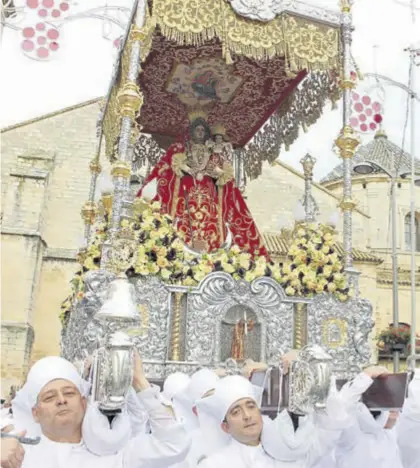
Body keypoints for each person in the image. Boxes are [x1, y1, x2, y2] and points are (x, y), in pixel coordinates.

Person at [7, 354, 190, 467]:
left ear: (84, 402)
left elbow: (173, 445)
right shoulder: (16, 457)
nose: (61, 400)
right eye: (49, 397)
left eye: (69, 393)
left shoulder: (115, 457)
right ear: (35, 413)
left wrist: (139, 382)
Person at [137, 110, 267, 257]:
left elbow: (223, 175)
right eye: (197, 129)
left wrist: (215, 171)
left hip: (208, 197)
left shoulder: (213, 155)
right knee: (181, 224)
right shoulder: (181, 150)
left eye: (202, 130)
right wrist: (188, 169)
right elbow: (171, 168)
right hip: (186, 196)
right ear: (192, 132)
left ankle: (213, 251)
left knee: (212, 225)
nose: (199, 132)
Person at [196, 373, 350, 468]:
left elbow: (329, 432)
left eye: (251, 406)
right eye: (236, 412)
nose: (247, 416)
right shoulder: (214, 464)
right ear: (225, 427)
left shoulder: (285, 451)